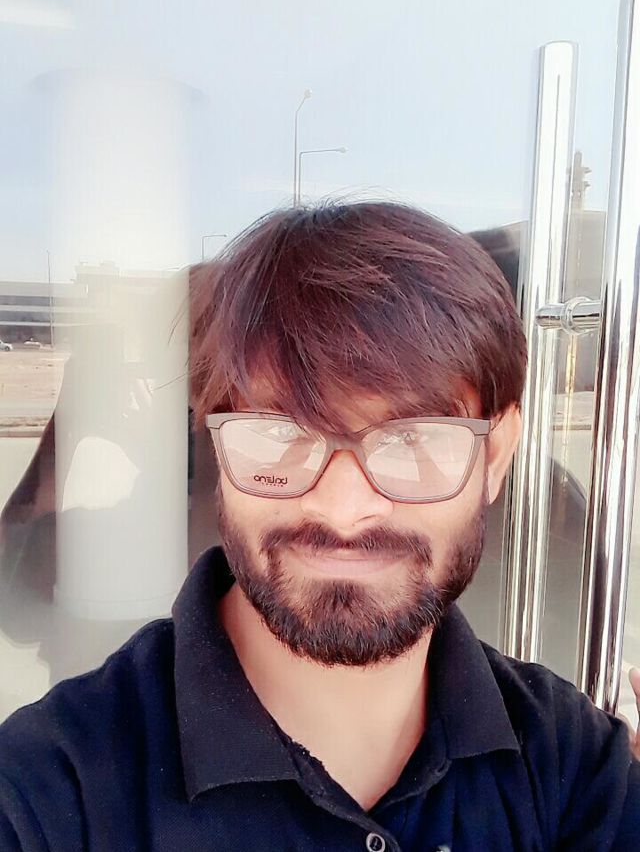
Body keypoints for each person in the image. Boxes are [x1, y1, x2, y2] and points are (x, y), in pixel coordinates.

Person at [0, 200, 638, 850]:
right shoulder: (45, 792)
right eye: (279, 434)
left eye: (412, 436)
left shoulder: (576, 769)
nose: (343, 508)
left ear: (495, 455)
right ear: (217, 446)